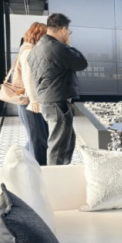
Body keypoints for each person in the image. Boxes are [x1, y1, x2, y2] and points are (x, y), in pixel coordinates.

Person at [28, 13, 88, 166]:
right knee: (58, 145)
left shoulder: (37, 48)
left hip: (48, 100)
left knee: (65, 140)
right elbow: (81, 63)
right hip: (57, 101)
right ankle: (55, 176)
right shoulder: (58, 48)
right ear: (63, 30)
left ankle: (61, 172)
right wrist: (69, 44)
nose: (68, 35)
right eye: (69, 32)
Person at [15, 23, 49, 165]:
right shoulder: (28, 51)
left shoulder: (32, 50)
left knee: (41, 136)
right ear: (39, 35)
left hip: (34, 101)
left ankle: (23, 162)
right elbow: (28, 78)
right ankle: (39, 170)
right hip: (29, 102)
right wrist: (34, 101)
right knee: (38, 139)